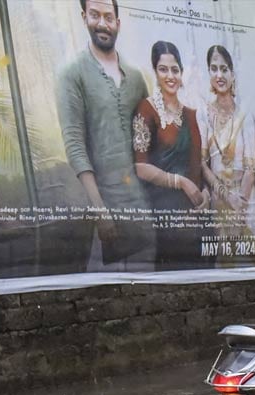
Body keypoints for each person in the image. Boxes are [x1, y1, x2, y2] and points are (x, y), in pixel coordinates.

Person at [55, 0, 152, 272]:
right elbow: (74, 145)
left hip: (144, 209)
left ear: (118, 23)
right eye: (95, 15)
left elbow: (148, 141)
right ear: (84, 17)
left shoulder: (135, 77)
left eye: (109, 17)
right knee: (109, 294)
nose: (102, 23)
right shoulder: (71, 74)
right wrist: (100, 211)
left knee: (153, 292)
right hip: (106, 215)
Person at [132, 41, 210, 269]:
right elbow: (141, 167)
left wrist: (205, 192)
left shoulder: (192, 114)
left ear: (182, 72)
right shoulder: (146, 110)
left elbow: (198, 162)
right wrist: (181, 182)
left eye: (175, 69)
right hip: (168, 218)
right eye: (163, 69)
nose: (170, 76)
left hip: (199, 215)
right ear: (155, 72)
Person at [200, 45, 255, 266]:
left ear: (232, 74)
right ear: (209, 73)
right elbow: (202, 164)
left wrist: (240, 208)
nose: (219, 75)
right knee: (226, 263)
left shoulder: (245, 114)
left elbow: (251, 168)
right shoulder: (204, 114)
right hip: (220, 200)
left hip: (247, 199)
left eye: (224, 69)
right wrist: (227, 197)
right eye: (214, 69)